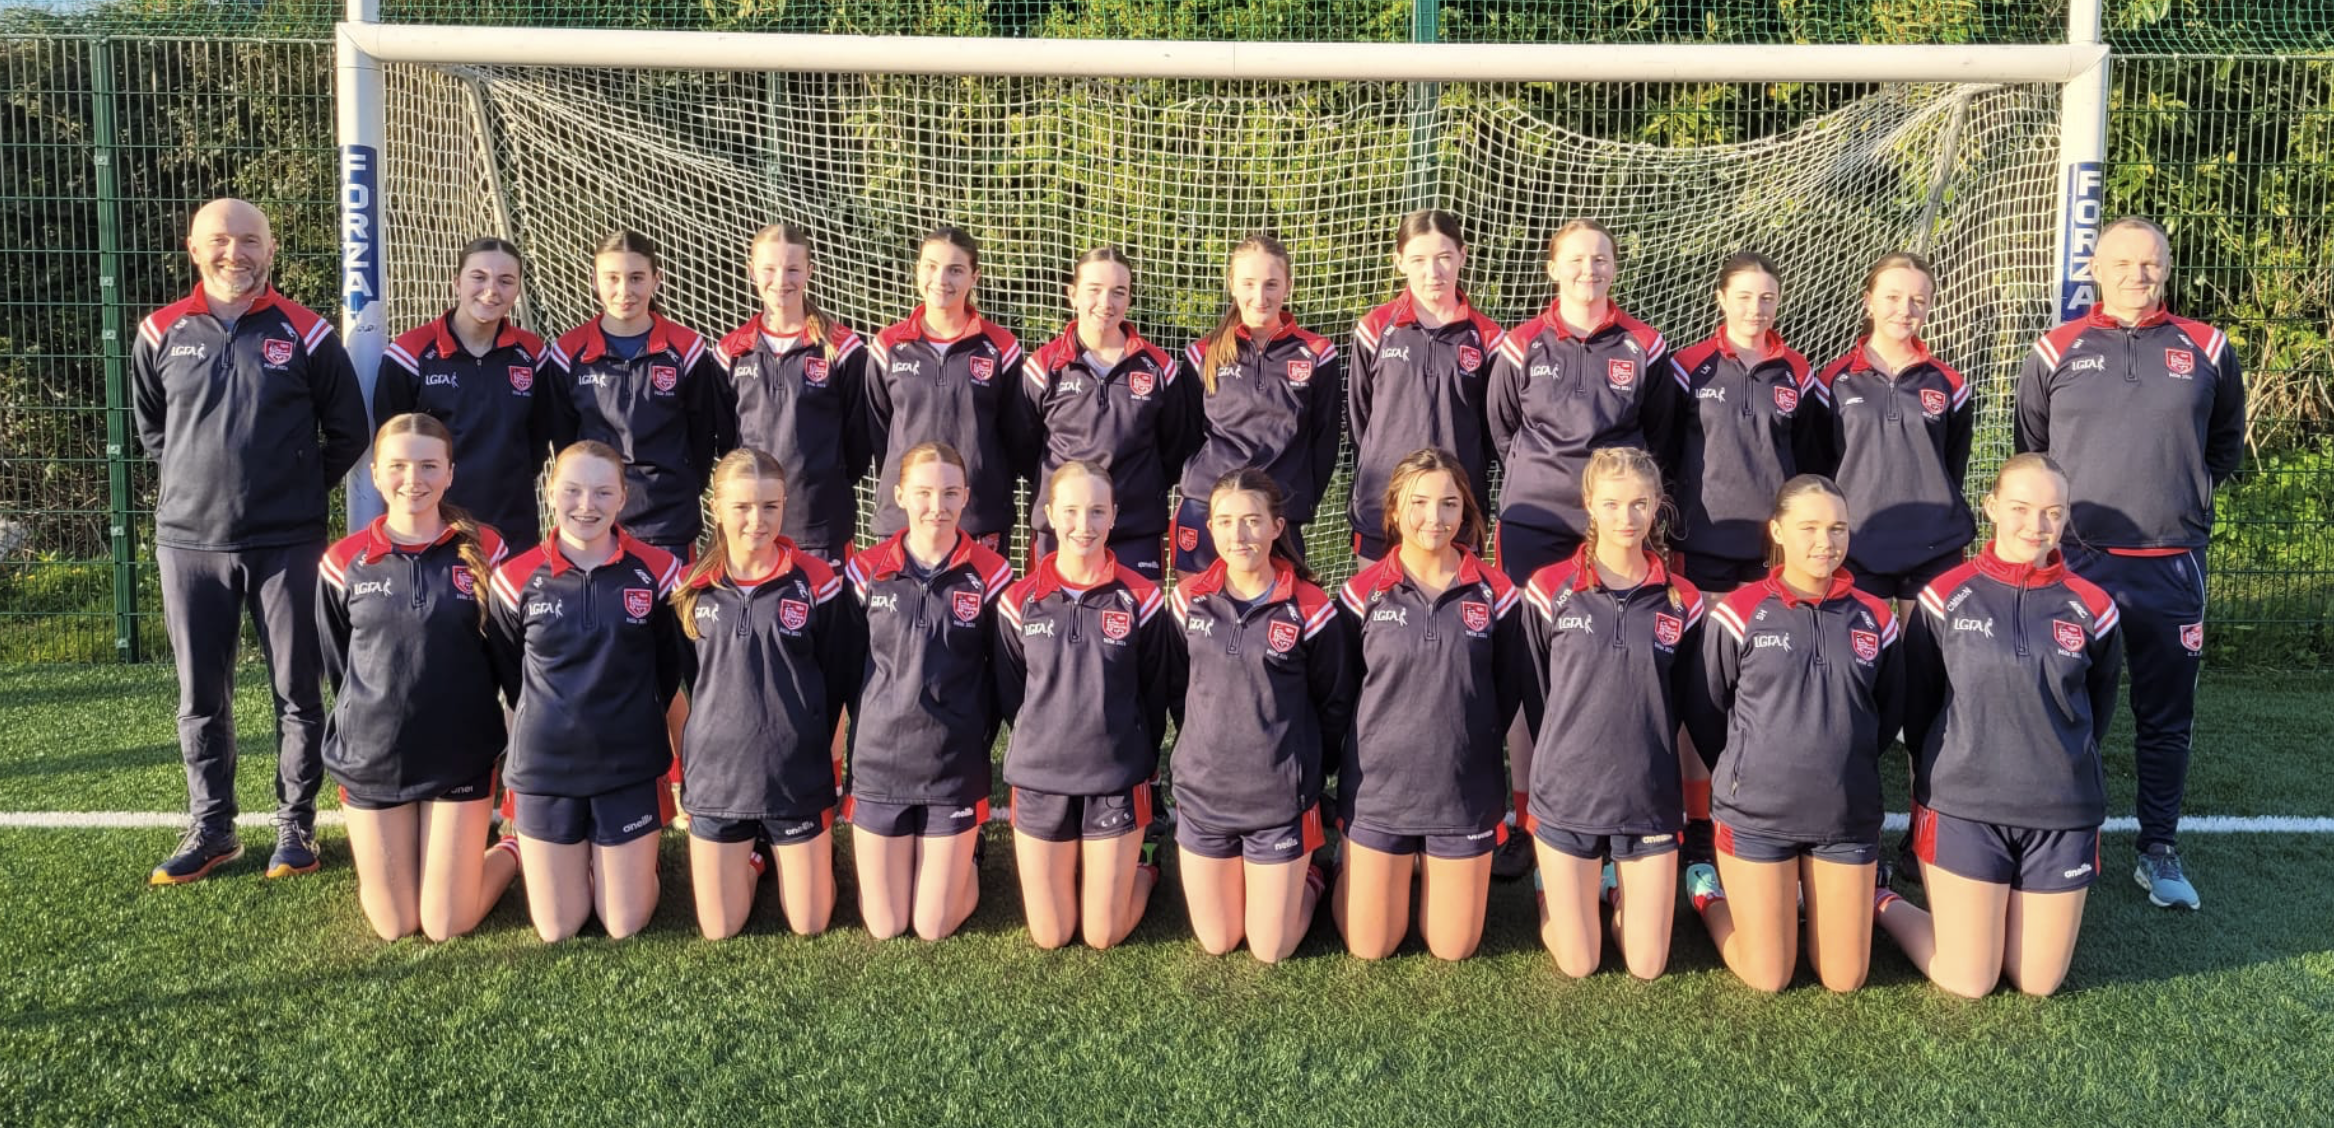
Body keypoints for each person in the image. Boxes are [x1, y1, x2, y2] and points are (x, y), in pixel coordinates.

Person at [134, 197, 370, 885]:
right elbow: (154, 431)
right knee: (200, 696)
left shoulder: (308, 332)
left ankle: (296, 825)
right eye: (219, 240)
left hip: (287, 543)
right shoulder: (159, 331)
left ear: (270, 250)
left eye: (248, 241)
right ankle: (212, 828)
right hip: (189, 544)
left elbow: (349, 431)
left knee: (297, 690)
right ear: (193, 248)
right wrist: (199, 485)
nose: (233, 252)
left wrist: (290, 490)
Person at [2014, 216, 2243, 912]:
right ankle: (2060, 839)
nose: (2137, 275)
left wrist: (2181, 502)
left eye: (2150, 263)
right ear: (2095, 267)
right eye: (2123, 262)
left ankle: (2158, 848)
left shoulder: (2207, 347)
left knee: (2165, 715)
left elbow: (2224, 445)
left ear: (2166, 268)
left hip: (2173, 566)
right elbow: (2034, 451)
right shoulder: (2054, 349)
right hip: (2078, 564)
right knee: (2063, 706)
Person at [1878, 454, 2123, 996]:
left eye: (2053, 512)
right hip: (1964, 807)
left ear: (2066, 516)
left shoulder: (2095, 608)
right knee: (1970, 979)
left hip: (2061, 812)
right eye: (2020, 508)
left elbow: (2096, 711)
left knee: (2037, 982)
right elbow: (1919, 707)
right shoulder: (1944, 597)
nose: (2036, 525)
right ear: (1990, 507)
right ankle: (1881, 899)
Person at [1485, 219, 1669, 882]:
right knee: (1530, 663)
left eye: (1600, 259)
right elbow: (1503, 429)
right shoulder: (1520, 344)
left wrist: (1614, 498)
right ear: (1552, 268)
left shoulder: (1645, 344)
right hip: (1535, 521)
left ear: (1614, 268)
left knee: (1613, 660)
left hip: (1614, 520)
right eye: (1576, 259)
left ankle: (1617, 812)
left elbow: (1658, 432)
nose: (1589, 270)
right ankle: (1531, 818)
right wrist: (1547, 479)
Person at [1683, 475, 1902, 993]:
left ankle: (1861, 894)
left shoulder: (1875, 616)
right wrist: (1746, 769)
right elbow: (1707, 708)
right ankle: (1708, 895)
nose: (1825, 541)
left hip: (1845, 818)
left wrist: (1843, 762)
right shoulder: (1739, 612)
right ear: (1777, 531)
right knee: (1769, 976)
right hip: (1757, 817)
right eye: (1809, 528)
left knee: (1845, 978)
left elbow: (1887, 712)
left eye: (1837, 528)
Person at [318, 413, 521, 939]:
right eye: (399, 466)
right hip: (374, 758)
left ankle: (512, 847)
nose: (414, 479)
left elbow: (510, 664)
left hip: (460, 756)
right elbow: (341, 666)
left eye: (429, 465)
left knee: (445, 923)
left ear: (450, 473)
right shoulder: (343, 562)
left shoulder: (488, 550)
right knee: (394, 925)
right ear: (375, 474)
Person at [1518, 446, 1705, 978]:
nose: (1627, 517)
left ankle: (1611, 890)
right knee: (1579, 962)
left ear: (1657, 506)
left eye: (1639, 504)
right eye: (1612, 504)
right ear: (1589, 504)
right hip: (1567, 794)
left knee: (1647, 964)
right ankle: (1551, 892)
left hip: (1648, 796)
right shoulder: (1548, 589)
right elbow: (1536, 691)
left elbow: (1684, 699)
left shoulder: (1684, 599)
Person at [1334, 449, 1526, 961]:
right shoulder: (1359, 594)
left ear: (1466, 510)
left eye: (1448, 503)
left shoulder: (1499, 594)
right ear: (1395, 510)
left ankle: (1419, 867)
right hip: (1379, 793)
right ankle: (1342, 868)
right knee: (1371, 946)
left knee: (1453, 947)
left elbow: (1506, 689)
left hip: (1462, 793)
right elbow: (1342, 692)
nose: (1433, 517)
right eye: (1418, 503)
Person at [486, 441, 683, 941]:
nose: (586, 505)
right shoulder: (512, 580)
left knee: (623, 924)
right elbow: (513, 677)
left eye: (602, 492)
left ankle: (631, 861)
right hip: (545, 770)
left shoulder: (660, 573)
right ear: (551, 493)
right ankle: (526, 847)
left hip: (628, 765)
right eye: (572, 490)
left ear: (623, 498)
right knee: (558, 927)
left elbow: (667, 670)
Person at [671, 449, 863, 939]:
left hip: (794, 775)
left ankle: (805, 853)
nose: (757, 520)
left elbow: (837, 676)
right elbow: (688, 677)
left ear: (784, 505)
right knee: (720, 928)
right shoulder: (692, 587)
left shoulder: (818, 582)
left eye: (770, 506)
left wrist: (818, 746)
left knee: (810, 923)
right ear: (716, 507)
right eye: (742, 507)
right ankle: (757, 860)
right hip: (717, 779)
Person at [1169, 469, 1355, 963]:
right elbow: (1176, 687)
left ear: (1277, 526)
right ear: (1210, 528)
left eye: (1252, 520)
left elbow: (1334, 700)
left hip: (1279, 801)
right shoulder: (1187, 600)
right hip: (1205, 795)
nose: (1239, 534)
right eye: (1226, 521)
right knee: (1218, 940)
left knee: (1270, 949)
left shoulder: (1311, 607)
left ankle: (1312, 874)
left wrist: (1306, 766)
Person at [996, 461, 1177, 950]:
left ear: (1114, 516)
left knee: (1102, 934)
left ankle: (1145, 864)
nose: (1084, 525)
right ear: (1050, 515)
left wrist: (1131, 751)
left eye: (1097, 511)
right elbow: (1014, 694)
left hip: (1114, 779)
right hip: (1040, 778)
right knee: (1051, 935)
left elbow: (1153, 690)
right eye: (1072, 511)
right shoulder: (1017, 601)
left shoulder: (1143, 599)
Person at [841, 442, 1014, 942]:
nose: (937, 506)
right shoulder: (864, 571)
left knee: (933, 925)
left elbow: (1003, 676)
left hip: (952, 766)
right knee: (886, 925)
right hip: (879, 762)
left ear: (966, 497)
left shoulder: (992, 574)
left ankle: (968, 853)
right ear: (898, 495)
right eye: (923, 493)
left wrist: (973, 735)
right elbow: (845, 667)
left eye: (950, 493)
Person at [1803, 252, 1975, 604]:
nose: (1905, 310)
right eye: (1893, 297)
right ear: (1869, 302)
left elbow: (1952, 465)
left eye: (1917, 300)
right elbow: (1817, 468)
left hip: (1934, 543)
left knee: (1929, 642)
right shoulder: (1832, 381)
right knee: (1863, 641)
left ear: (1929, 307)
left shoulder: (1949, 383)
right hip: (1856, 543)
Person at [1169, 231, 1343, 574]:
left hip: (1278, 513)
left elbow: (1325, 441)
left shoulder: (1317, 354)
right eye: (1248, 284)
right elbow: (1184, 438)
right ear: (1232, 284)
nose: (1260, 297)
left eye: (1271, 284)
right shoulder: (1202, 354)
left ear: (1288, 285)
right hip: (1207, 508)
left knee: (1278, 605)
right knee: (1196, 605)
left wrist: (1296, 500)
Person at [546, 229, 725, 560]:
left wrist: (680, 486)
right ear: (594, 280)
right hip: (596, 518)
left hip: (668, 519)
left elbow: (703, 437)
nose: (624, 291)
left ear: (656, 279)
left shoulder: (687, 349)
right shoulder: (567, 352)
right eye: (612, 278)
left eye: (636, 278)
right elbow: (564, 441)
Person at [1647, 251, 1818, 593]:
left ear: (1778, 301)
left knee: (1766, 627)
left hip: (1773, 540)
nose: (1756, 308)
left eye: (1766, 298)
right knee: (1705, 629)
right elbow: (1664, 447)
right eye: (1744, 297)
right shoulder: (1688, 366)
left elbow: (1808, 459)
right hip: (1701, 536)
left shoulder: (1798, 372)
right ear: (1722, 298)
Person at [1021, 247, 1193, 581]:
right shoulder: (1042, 367)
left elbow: (1174, 449)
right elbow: (1024, 448)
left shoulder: (1159, 368)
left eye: (1118, 292)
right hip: (1061, 532)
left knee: (1137, 615)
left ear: (1129, 298)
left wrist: (1137, 488)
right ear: (1072, 294)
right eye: (1095, 290)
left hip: (1135, 530)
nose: (1106, 302)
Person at [1347, 211, 1504, 562]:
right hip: (1382, 504)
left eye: (1444, 257)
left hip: (1455, 510)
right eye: (1418, 259)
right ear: (1399, 261)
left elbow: (1494, 430)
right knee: (1380, 599)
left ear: (1462, 256)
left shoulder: (1488, 337)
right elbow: (1360, 420)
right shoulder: (1374, 329)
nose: (1433, 272)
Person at [373, 236, 553, 542]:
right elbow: (389, 441)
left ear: (518, 288)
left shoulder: (533, 354)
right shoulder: (410, 352)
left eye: (506, 280)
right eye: (479, 277)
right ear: (457, 281)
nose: (491, 290)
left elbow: (539, 438)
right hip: (432, 524)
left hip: (512, 523)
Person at [713, 223, 872, 565]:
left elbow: (859, 442)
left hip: (821, 524)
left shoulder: (842, 349)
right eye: (769, 269)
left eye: (793, 269)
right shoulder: (730, 352)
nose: (781, 280)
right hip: (752, 526)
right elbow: (726, 441)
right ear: (751, 271)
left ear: (810, 271)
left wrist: (825, 481)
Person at [866, 227, 1034, 552]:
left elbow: (1017, 437)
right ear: (917, 270)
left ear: (974, 277)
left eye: (955, 270)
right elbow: (878, 432)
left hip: (978, 517)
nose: (941, 279)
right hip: (904, 518)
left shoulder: (1001, 347)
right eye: (931, 266)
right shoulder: (888, 345)